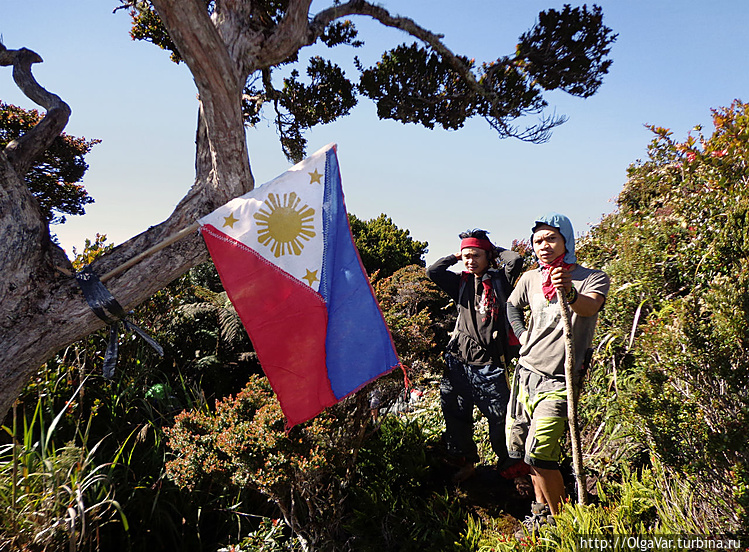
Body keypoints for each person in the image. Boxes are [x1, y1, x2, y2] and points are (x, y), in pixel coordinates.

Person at [505, 212, 610, 536]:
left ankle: (566, 525)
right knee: (523, 450)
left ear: (567, 240)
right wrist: (522, 335)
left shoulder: (590, 277)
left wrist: (571, 295)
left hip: (560, 380)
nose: (544, 246)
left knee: (540, 452)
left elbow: (591, 307)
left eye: (551, 238)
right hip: (526, 374)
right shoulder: (531, 278)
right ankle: (541, 514)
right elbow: (512, 306)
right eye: (538, 241)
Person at [427, 229, 524, 483]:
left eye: (476, 255)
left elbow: (515, 260)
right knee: (455, 413)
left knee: (499, 418)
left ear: (487, 256)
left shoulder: (501, 279)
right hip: (458, 360)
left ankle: (512, 471)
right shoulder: (460, 281)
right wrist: (455, 256)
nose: (471, 260)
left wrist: (495, 250)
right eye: (467, 255)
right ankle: (466, 462)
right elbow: (433, 271)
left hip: (490, 364)